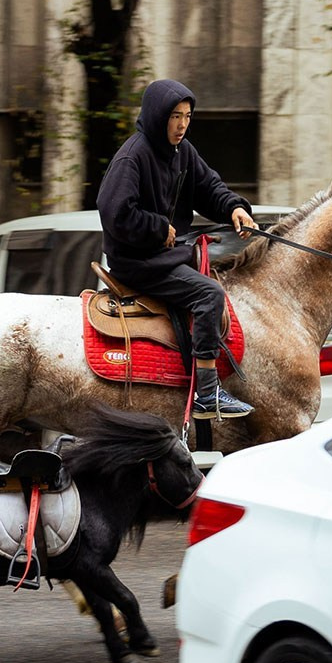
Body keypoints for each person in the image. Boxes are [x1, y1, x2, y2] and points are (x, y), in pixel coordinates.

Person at [96, 79, 258, 419]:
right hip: (137, 261)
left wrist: (234, 209)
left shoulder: (183, 151)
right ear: (158, 116)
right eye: (175, 116)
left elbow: (209, 187)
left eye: (187, 116)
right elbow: (114, 211)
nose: (182, 124)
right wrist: (157, 229)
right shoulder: (132, 156)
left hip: (164, 255)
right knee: (209, 295)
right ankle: (206, 393)